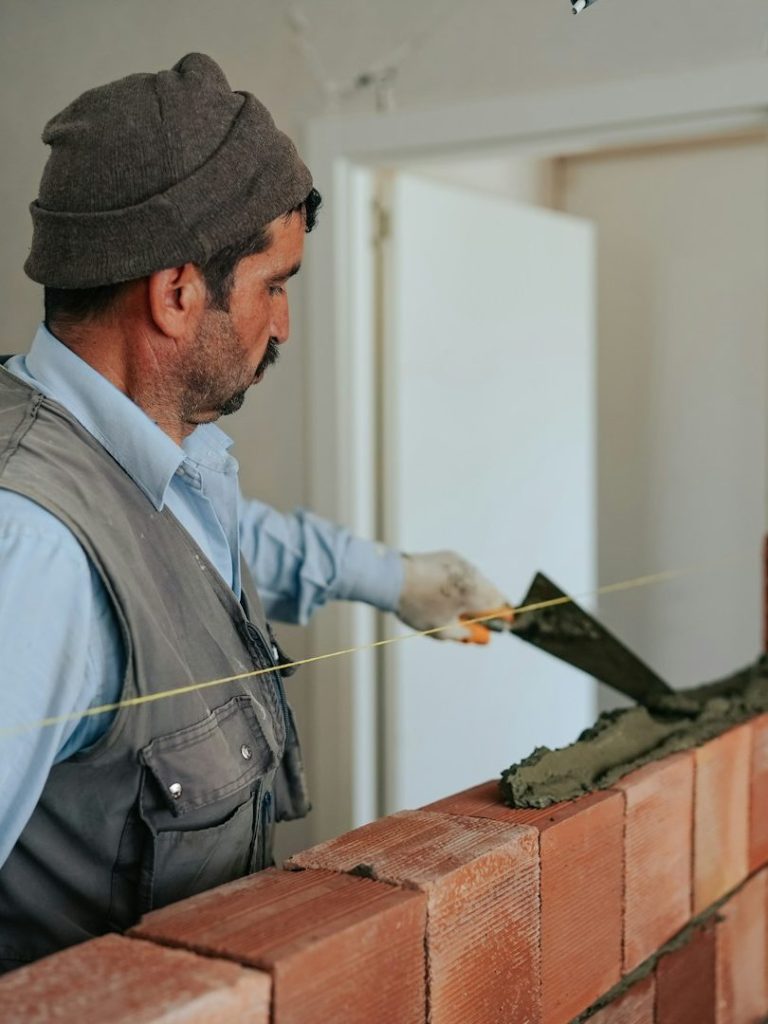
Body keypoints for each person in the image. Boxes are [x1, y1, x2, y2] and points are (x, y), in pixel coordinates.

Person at [0, 53, 513, 971]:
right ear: (177, 293)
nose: (282, 326)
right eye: (274, 286)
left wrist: (395, 579)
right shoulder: (32, 553)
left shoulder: (148, 454)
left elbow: (205, 551)